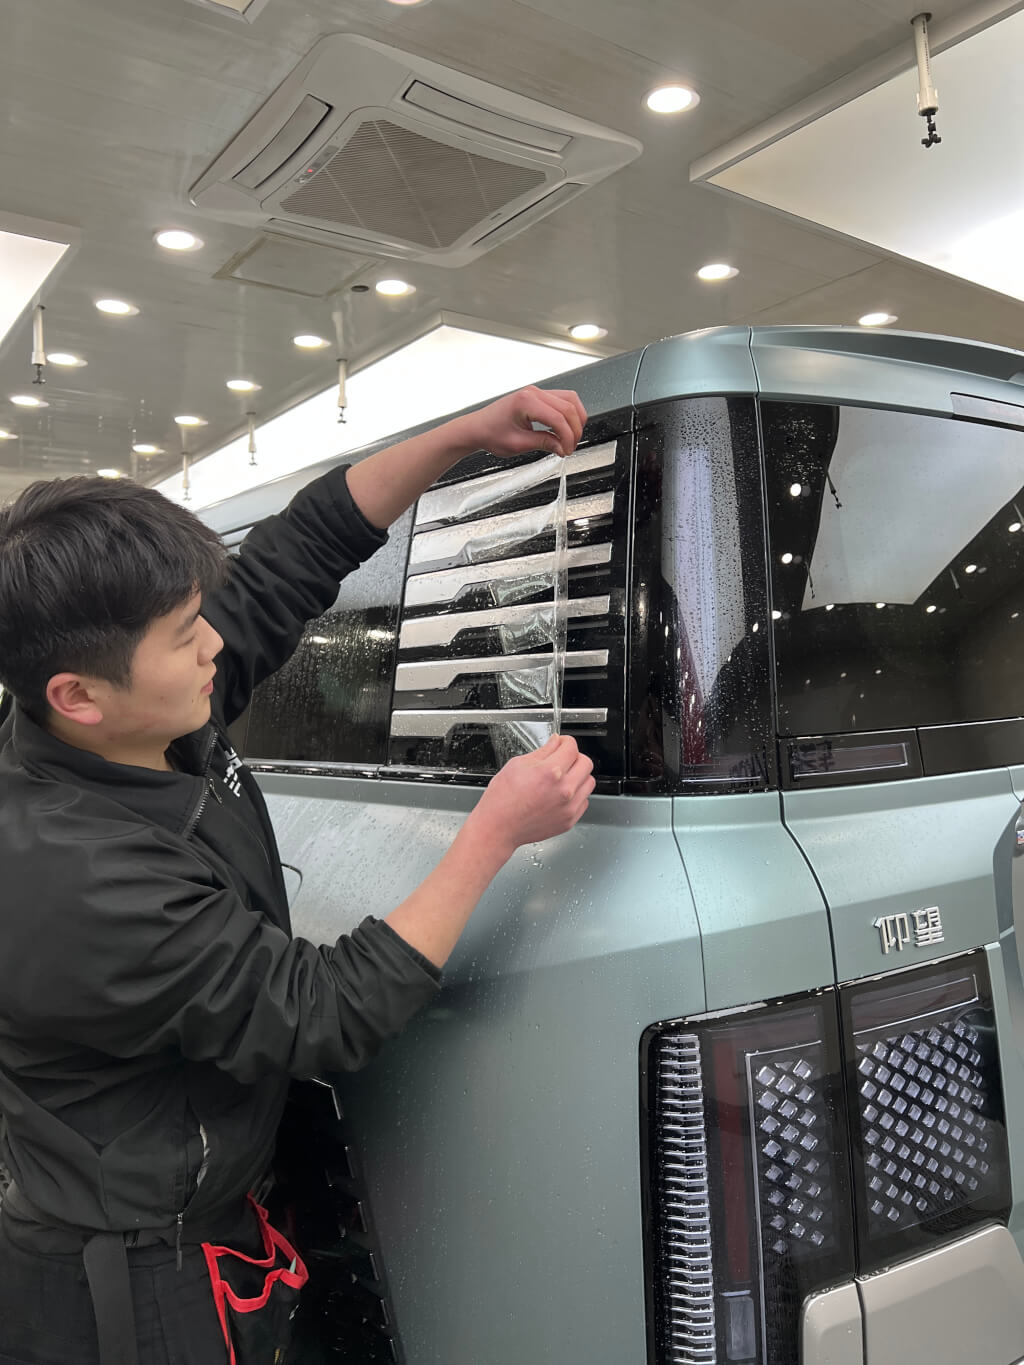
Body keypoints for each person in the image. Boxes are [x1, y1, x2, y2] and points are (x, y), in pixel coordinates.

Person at [0, 385, 595, 1365]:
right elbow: (324, 1010)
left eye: (201, 617)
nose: (215, 644)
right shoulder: (76, 881)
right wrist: (494, 831)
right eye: (185, 636)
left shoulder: (132, 714)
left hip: (209, 1203)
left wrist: (460, 434)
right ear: (80, 695)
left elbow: (298, 552)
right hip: (134, 1278)